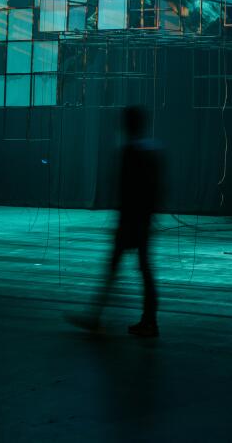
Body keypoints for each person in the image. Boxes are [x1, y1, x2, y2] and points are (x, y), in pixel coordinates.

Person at [69, 106, 162, 337]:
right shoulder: (151, 151)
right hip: (142, 221)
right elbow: (155, 190)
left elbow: (126, 191)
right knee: (143, 270)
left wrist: (121, 221)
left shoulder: (130, 152)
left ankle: (98, 316)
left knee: (118, 269)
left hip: (131, 221)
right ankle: (148, 320)